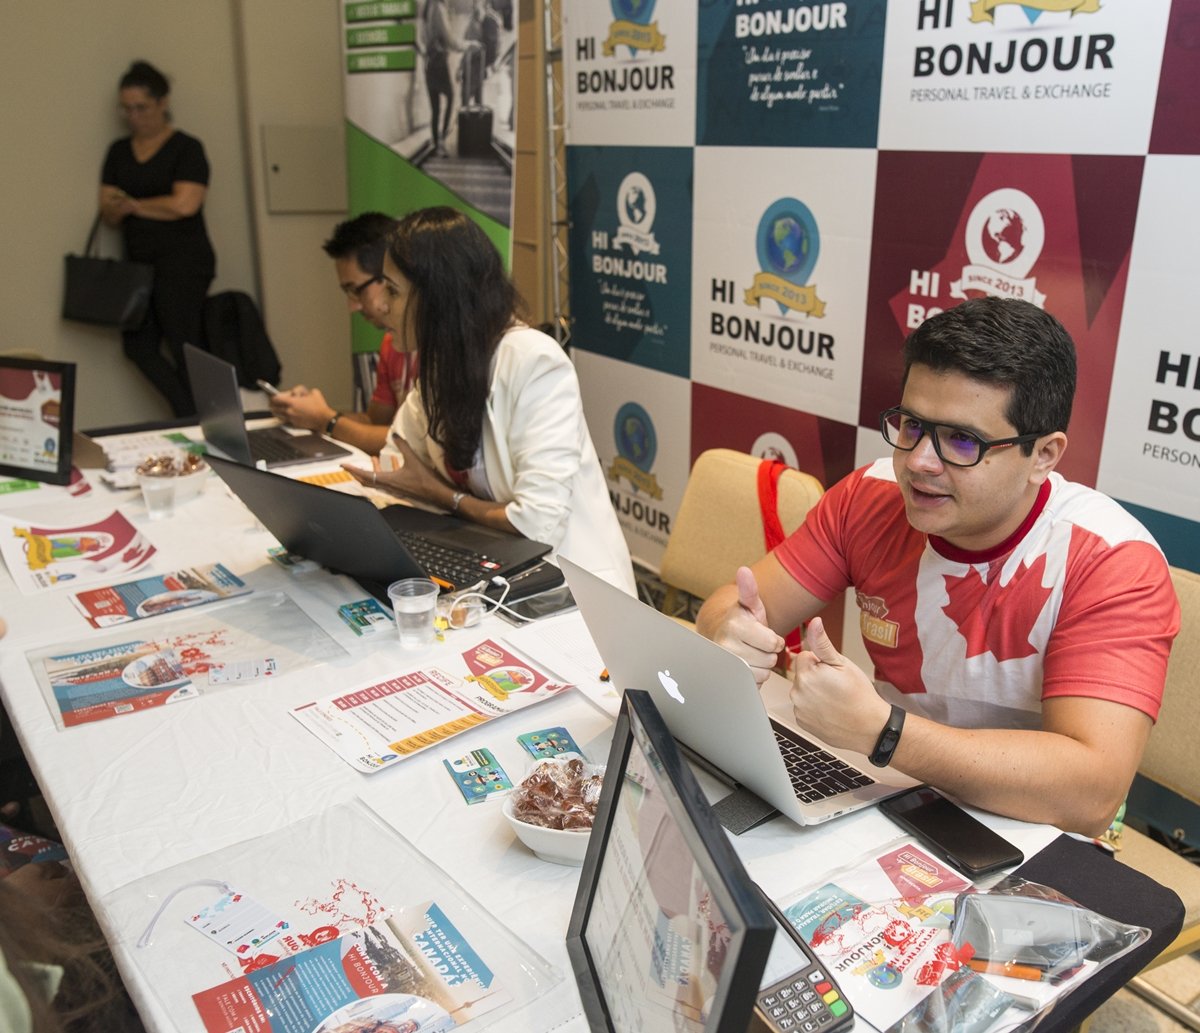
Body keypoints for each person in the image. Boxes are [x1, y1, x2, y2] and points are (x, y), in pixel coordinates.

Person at [696, 297, 1179, 837]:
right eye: (911, 425)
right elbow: (729, 607)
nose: (919, 462)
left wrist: (885, 733)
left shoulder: (1110, 560)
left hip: (1034, 829)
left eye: (962, 440)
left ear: (1043, 455)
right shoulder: (870, 495)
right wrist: (728, 631)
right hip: (892, 787)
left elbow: (1090, 792)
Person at [341, 206, 636, 595]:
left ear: (437, 296)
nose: (383, 307)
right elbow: (398, 467)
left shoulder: (533, 361)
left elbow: (537, 525)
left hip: (570, 591)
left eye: (394, 292)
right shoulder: (438, 366)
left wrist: (444, 496)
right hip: (492, 569)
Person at [99, 61, 215, 417]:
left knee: (185, 345)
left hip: (183, 262)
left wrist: (133, 204)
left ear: (162, 103)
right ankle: (188, 412)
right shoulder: (119, 151)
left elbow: (185, 204)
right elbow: (108, 209)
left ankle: (204, 419)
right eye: (127, 108)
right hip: (138, 267)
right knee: (137, 346)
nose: (133, 116)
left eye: (141, 107)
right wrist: (139, 207)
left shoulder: (187, 148)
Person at [267, 213, 417, 456]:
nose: (353, 306)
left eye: (356, 290)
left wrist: (326, 420)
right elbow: (375, 423)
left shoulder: (442, 347)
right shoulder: (392, 342)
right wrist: (307, 412)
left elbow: (409, 444)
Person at [419, 0, 460, 158]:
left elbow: (422, 38)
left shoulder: (427, 8)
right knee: (451, 96)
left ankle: (437, 144)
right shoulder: (439, 7)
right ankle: (442, 138)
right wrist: (464, 45)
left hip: (429, 64)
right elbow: (448, 38)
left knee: (435, 108)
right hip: (439, 64)